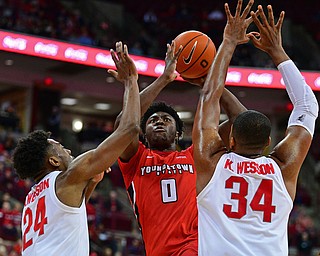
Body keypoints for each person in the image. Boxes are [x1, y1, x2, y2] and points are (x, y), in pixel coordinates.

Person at [193, 1, 319, 256]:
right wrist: (277, 52)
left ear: (231, 141)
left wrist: (228, 42)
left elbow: (209, 98)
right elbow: (307, 105)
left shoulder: (211, 163)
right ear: (268, 143)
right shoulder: (284, 169)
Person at [110, 33, 247, 254]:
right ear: (142, 134)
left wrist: (209, 82)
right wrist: (164, 79)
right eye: (153, 121)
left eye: (166, 120)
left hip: (196, 246)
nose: (159, 123)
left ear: (177, 134)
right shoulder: (135, 160)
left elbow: (242, 122)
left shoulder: (197, 155)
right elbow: (123, 126)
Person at [12, 42, 141, 256]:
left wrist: (92, 183)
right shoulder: (68, 177)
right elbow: (130, 129)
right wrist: (131, 82)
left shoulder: (32, 198)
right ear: (53, 161)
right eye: (61, 147)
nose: (68, 151)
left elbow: (70, 214)